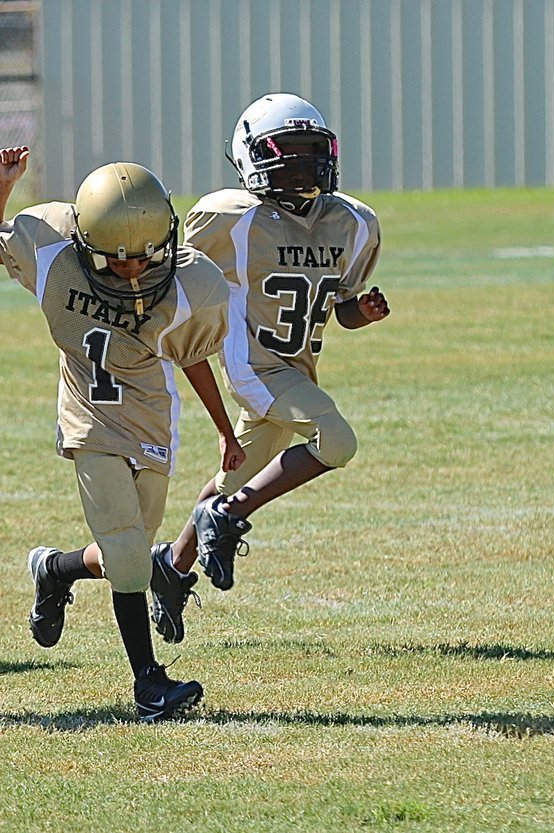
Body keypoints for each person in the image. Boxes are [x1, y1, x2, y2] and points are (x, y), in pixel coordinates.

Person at [0, 147, 244, 722]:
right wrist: (2, 187)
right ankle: (149, 685)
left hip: (150, 417)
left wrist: (224, 429)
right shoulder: (51, 249)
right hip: (88, 417)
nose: (134, 271)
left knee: (130, 554)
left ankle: (55, 570)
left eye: (146, 257)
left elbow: (191, 355)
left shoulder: (190, 280)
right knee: (127, 550)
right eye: (117, 262)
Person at [150, 92, 390, 645]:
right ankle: (230, 516)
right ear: (253, 157)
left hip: (298, 370)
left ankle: (173, 565)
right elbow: (180, 280)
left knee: (234, 477)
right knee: (337, 440)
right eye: (289, 153)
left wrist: (364, 312)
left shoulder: (350, 222)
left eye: (311, 153)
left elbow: (339, 310)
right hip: (254, 366)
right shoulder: (231, 218)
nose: (303, 165)